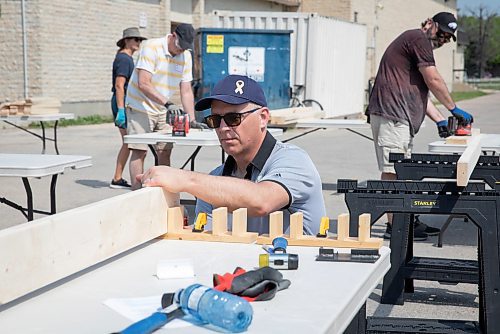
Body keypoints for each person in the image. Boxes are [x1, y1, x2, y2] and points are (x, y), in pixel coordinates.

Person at [139, 75, 326, 235]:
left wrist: (186, 180)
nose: (222, 128)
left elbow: (262, 201)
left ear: (263, 118)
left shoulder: (293, 161)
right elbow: (207, 241)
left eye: (233, 118)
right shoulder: (214, 179)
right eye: (215, 120)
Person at [366, 12, 474, 241]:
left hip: (399, 118)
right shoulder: (419, 38)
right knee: (393, 171)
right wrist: (453, 108)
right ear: (429, 24)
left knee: (402, 172)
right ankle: (395, 226)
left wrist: (440, 120)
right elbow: (433, 80)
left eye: (448, 37)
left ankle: (405, 221)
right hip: (391, 115)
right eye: (442, 33)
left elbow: (419, 93)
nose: (443, 39)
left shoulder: (416, 47)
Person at [125, 23, 208, 190]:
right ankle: (135, 194)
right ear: (173, 36)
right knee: (139, 150)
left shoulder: (186, 56)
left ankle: (162, 191)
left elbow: (186, 90)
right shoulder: (151, 47)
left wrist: (192, 119)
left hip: (162, 108)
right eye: (180, 46)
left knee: (165, 150)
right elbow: (143, 83)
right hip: (140, 105)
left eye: (185, 48)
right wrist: (168, 103)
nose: (181, 51)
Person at [110, 27, 146, 189]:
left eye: (140, 40)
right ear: (126, 40)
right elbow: (119, 85)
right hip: (121, 101)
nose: (138, 42)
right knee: (128, 141)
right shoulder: (124, 59)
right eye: (135, 39)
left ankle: (117, 177)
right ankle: (117, 178)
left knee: (127, 142)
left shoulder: (128, 58)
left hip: (124, 101)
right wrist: (121, 110)